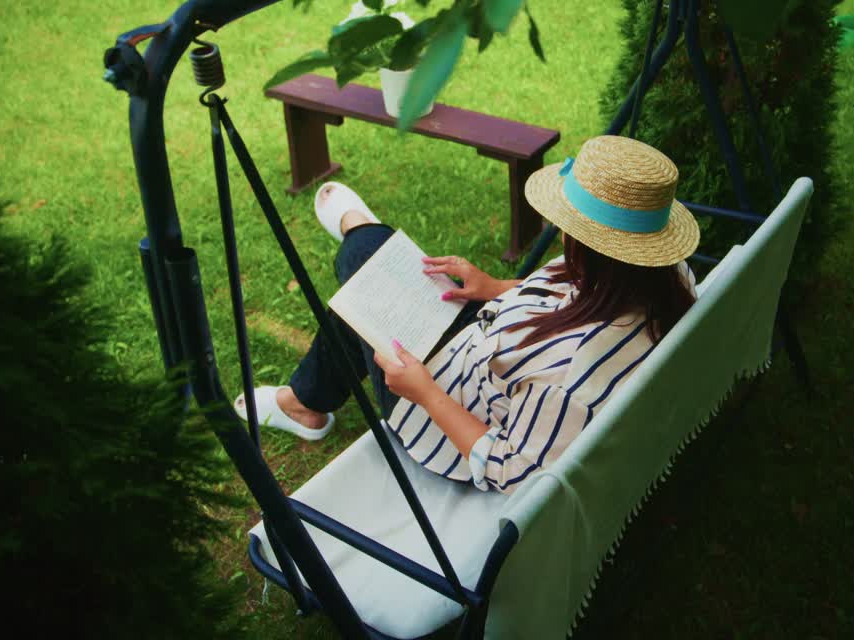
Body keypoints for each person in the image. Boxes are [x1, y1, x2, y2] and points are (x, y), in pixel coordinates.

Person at [236, 135, 700, 493]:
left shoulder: (574, 379)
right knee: (373, 284)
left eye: (568, 228)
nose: (561, 235)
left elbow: (511, 468)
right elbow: (574, 294)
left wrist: (423, 393)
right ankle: (307, 395)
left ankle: (305, 394)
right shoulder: (660, 278)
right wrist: (496, 288)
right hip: (485, 340)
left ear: (594, 251)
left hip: (442, 405)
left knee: (365, 264)